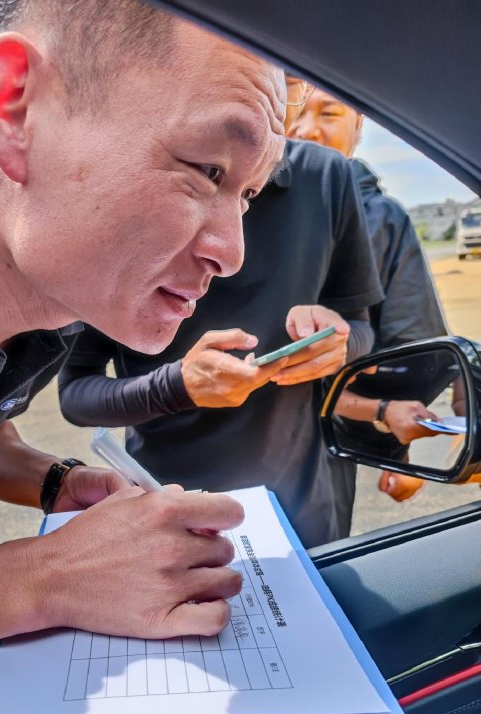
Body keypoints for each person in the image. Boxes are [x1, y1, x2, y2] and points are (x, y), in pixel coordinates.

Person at [0, 0, 289, 693]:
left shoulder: (53, 280)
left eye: (247, 193)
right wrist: (42, 577)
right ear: (14, 107)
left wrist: (55, 481)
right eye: (205, 168)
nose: (232, 252)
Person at [58, 79, 385, 549]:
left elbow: (359, 327)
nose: (230, 253)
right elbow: (75, 392)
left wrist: (337, 343)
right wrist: (177, 386)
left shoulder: (328, 177)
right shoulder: (127, 184)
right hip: (172, 504)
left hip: (303, 506)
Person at [289, 88, 449, 520]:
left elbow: (408, 349)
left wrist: (399, 448)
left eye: (328, 112)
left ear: (357, 128)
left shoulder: (382, 220)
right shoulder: (233, 211)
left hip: (320, 457)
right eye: (294, 110)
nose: (307, 128)